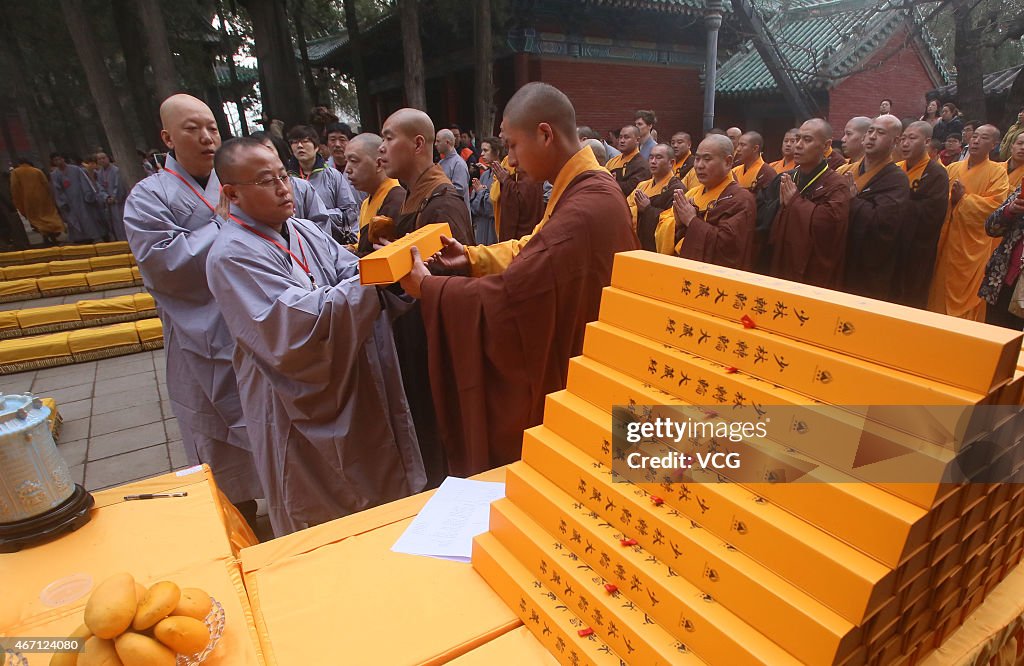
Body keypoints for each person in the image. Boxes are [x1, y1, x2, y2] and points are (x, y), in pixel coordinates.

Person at [397, 82, 638, 476]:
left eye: (512, 146)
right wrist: (474, 257)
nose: (510, 160)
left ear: (545, 134)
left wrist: (431, 288)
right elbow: (535, 244)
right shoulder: (584, 187)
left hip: (583, 373)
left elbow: (513, 295)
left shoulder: (587, 205)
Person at [206, 138, 425, 535]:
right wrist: (374, 281)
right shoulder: (230, 254)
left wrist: (385, 271)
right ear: (232, 193)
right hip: (293, 398)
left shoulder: (305, 230)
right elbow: (291, 328)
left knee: (376, 497)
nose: (282, 188)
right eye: (265, 181)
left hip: (350, 384)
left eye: (281, 176)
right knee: (320, 515)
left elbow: (348, 272)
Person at [123, 93, 263, 518]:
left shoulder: (238, 183)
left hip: (255, 326)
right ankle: (239, 522)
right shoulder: (148, 197)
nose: (206, 138)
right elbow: (163, 263)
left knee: (268, 425)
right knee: (213, 436)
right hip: (195, 335)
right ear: (167, 137)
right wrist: (222, 224)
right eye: (192, 129)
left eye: (212, 128)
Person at [379, 107, 476, 487]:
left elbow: (457, 284)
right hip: (413, 338)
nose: (381, 149)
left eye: (388, 138)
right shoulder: (408, 198)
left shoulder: (442, 203)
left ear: (419, 143)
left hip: (435, 344)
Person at [928, 125, 1011, 320]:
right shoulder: (953, 168)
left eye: (983, 138)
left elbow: (995, 207)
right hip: (947, 239)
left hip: (973, 245)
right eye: (974, 136)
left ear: (994, 145)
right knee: (939, 284)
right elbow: (937, 196)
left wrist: (963, 199)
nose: (976, 141)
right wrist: (953, 200)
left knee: (967, 295)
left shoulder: (997, 173)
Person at [767, 119, 852, 288]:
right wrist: (780, 206)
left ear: (826, 145)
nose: (798, 145)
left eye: (807, 140)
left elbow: (831, 226)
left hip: (813, 270)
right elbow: (764, 216)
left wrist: (795, 203)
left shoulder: (836, 184)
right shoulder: (787, 177)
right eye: (797, 138)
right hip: (783, 258)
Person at [842, 115, 910, 299]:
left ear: (895, 141)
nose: (872, 136)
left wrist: (853, 201)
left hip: (868, 265)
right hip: (840, 256)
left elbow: (884, 223)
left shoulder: (897, 179)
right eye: (870, 131)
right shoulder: (844, 171)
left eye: (880, 133)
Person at [672, 134, 756, 269]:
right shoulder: (694, 194)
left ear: (728, 162)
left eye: (707, 159)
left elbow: (729, 248)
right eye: (697, 159)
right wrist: (680, 224)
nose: (699, 166)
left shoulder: (741, 199)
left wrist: (692, 221)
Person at [892, 121, 949, 308]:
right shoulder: (895, 168)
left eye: (912, 138)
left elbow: (933, 212)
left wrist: (897, 204)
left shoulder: (937, 173)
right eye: (903, 139)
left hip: (917, 249)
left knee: (910, 296)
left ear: (927, 141)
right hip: (890, 243)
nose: (905, 143)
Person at [286, 125, 359, 243]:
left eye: (305, 141)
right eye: (295, 142)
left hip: (333, 241)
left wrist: (318, 216)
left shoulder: (332, 175)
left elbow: (349, 211)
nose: (300, 146)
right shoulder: (287, 180)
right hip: (300, 242)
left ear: (316, 147)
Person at [249, 131, 331, 233]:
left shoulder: (302, 186)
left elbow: (321, 222)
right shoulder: (249, 192)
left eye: (267, 150)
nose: (263, 156)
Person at [343, 133, 405, 255]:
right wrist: (353, 248)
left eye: (354, 161)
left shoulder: (397, 201)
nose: (347, 169)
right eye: (347, 161)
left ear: (379, 164)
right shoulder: (367, 202)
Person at [979, 185, 1024, 329]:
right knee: (993, 339)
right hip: (1002, 282)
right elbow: (990, 227)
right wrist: (1010, 210)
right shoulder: (1021, 192)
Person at [627, 143, 683, 253]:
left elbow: (672, 222)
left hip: (655, 248)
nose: (653, 161)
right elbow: (627, 207)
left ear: (671, 163)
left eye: (659, 157)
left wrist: (648, 209)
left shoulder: (676, 189)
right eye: (651, 157)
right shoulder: (642, 185)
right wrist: (637, 210)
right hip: (637, 243)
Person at [50, 153, 108, 243]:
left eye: (59, 159)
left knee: (88, 219)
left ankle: (96, 237)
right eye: (55, 160)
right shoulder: (54, 174)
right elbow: (57, 190)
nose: (58, 162)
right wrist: (62, 203)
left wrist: (88, 195)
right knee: (74, 220)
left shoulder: (76, 169)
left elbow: (85, 182)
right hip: (69, 201)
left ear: (63, 159)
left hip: (82, 199)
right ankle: (80, 239)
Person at [10, 158, 64, 245]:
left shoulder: (16, 172)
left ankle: (45, 237)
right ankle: (53, 237)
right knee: (48, 216)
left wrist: (17, 201)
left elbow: (14, 187)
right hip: (43, 198)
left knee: (36, 219)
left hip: (28, 199)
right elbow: (46, 184)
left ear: (19, 163)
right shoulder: (37, 171)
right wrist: (50, 197)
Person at [470, 136, 501, 245]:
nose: (482, 154)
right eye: (482, 150)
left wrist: (481, 192)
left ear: (496, 151)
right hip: (481, 225)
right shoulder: (485, 175)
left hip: (493, 227)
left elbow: (493, 206)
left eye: (486, 150)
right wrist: (481, 193)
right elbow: (473, 203)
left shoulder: (502, 175)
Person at [606, 125, 650, 196]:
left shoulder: (641, 165)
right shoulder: (612, 161)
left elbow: (632, 189)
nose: (622, 141)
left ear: (637, 140)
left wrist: (612, 182)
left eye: (626, 137)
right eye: (620, 137)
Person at [731, 132, 777, 196]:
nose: (738, 149)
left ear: (755, 148)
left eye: (743, 145)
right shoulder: (735, 171)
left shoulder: (767, 172)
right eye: (738, 144)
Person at [435, 129, 471, 209]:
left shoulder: (459, 164)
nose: (435, 144)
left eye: (438, 141)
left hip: (457, 211)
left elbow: (459, 190)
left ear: (447, 143)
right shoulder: (441, 163)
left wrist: (438, 191)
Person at [96, 151, 126, 241]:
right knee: (113, 223)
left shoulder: (116, 170)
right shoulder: (99, 173)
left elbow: (119, 185)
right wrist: (106, 197)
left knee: (121, 221)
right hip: (109, 202)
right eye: (99, 159)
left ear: (108, 158)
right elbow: (99, 187)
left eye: (103, 158)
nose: (102, 160)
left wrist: (114, 197)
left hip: (119, 202)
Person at [0, 169, 30, 249]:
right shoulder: (3, 178)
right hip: (7, 210)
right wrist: (12, 205)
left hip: (5, 210)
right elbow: (5, 193)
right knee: (16, 230)